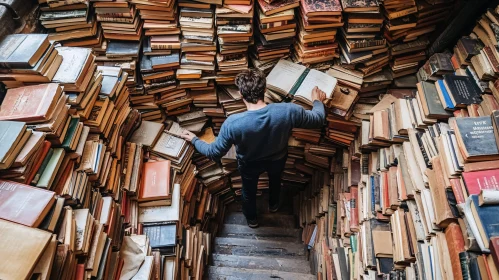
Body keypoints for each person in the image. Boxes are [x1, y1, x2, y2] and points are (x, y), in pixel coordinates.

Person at [180, 69, 326, 228]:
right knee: (276, 182)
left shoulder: (233, 123)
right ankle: (274, 205)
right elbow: (318, 119)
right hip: (278, 158)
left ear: (240, 95)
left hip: (249, 164)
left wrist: (194, 139)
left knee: (248, 192)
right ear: (265, 90)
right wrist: (317, 101)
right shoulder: (288, 111)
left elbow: (214, 152)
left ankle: (252, 220)